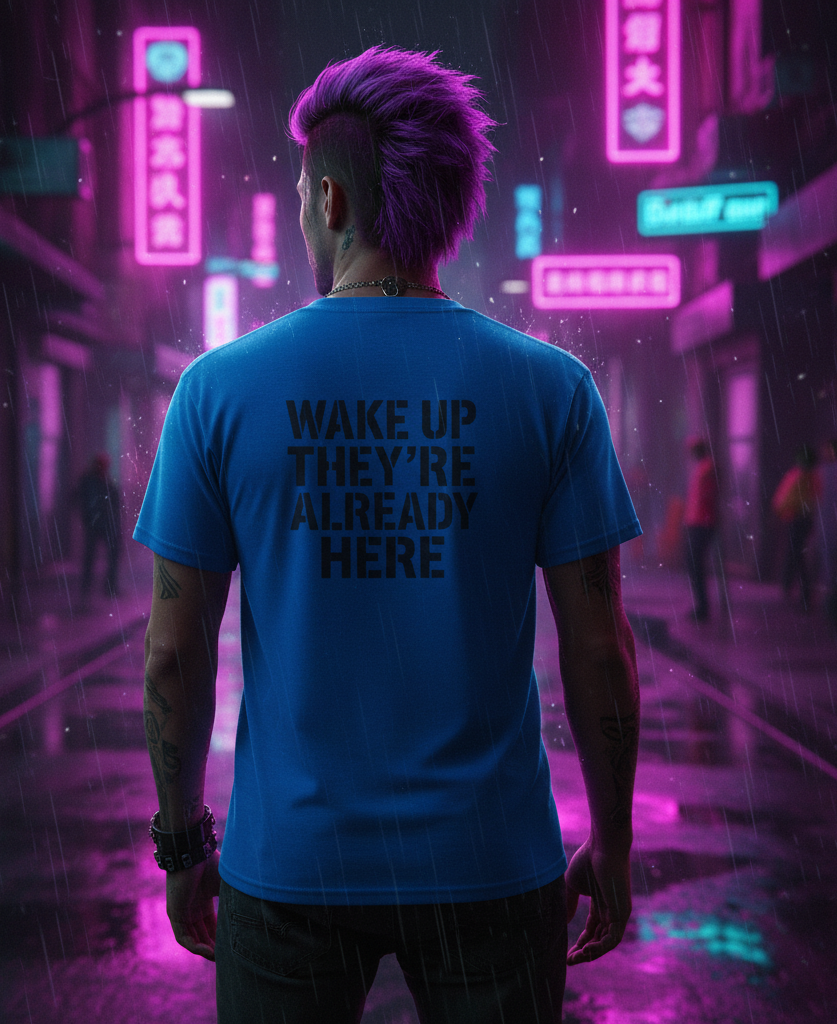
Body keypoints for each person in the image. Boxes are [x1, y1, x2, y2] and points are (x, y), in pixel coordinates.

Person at [135, 47, 641, 1024]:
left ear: (330, 199)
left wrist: (186, 841)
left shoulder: (217, 391)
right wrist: (610, 839)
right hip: (492, 863)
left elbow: (171, 652)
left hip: (288, 866)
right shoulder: (551, 391)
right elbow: (598, 647)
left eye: (297, 191)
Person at [772, 444, 821, 611]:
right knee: (797, 554)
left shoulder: (799, 476)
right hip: (804, 519)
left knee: (796, 555)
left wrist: (781, 510)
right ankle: (795, 589)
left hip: (796, 518)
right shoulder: (814, 477)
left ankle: (798, 592)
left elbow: (786, 498)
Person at [74, 453, 121, 598]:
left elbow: (115, 503)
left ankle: (106, 586)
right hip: (96, 524)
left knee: (106, 554)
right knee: (91, 556)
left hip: (103, 524)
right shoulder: (90, 481)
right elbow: (76, 498)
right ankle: (91, 587)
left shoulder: (104, 481)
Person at [683, 437, 718, 623]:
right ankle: (701, 605)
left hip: (702, 522)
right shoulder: (703, 467)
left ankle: (702, 606)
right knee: (694, 564)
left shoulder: (708, 468)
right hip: (697, 521)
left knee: (695, 564)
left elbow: (710, 494)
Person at [816, 437, 837, 621]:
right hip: (833, 523)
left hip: (830, 524)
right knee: (830, 563)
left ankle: (831, 604)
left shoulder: (828, 471)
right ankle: (831, 603)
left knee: (829, 564)